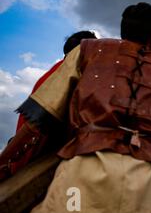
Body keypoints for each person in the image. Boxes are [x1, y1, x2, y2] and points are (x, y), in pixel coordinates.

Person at [15, 2, 151, 213]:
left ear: (123, 30)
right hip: (144, 184)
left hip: (85, 168)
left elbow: (41, 114)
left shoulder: (87, 49)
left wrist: (6, 166)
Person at [0, 31, 97, 182]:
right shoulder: (71, 73)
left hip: (24, 155)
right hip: (38, 157)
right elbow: (35, 127)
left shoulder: (51, 73)